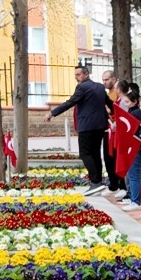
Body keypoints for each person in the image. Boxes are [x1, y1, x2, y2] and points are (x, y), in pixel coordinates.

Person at [49, 65, 111, 194]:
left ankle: (95, 182)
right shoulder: (100, 87)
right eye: (75, 75)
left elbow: (70, 102)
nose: (76, 78)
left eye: (78, 75)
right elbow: (109, 103)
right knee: (95, 154)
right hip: (100, 126)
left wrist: (52, 113)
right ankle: (98, 182)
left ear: (86, 74)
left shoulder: (82, 87)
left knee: (85, 154)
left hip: (87, 126)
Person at [116, 80, 141, 207]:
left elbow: (132, 129)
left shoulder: (135, 113)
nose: (126, 104)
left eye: (128, 102)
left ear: (135, 101)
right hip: (134, 146)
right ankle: (134, 197)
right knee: (133, 174)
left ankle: (135, 199)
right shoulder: (133, 112)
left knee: (134, 174)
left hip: (135, 147)